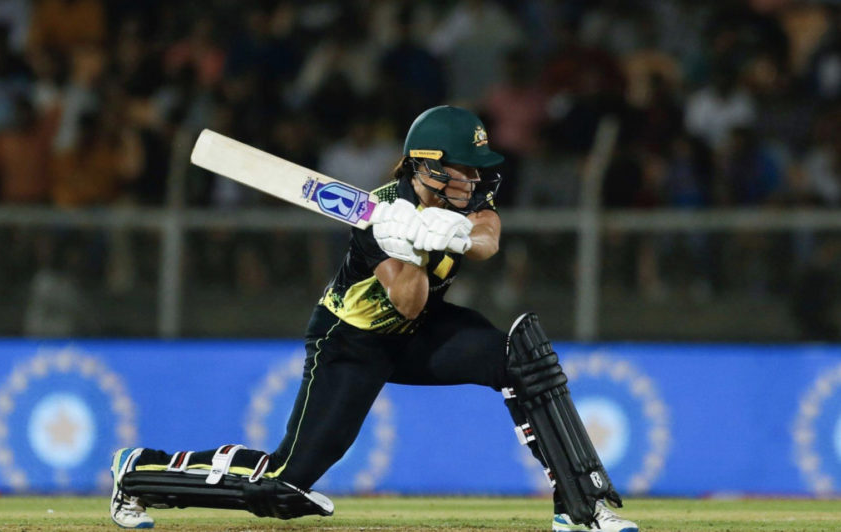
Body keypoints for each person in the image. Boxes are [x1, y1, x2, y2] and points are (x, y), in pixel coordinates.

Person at [108, 106, 638, 532]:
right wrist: (408, 247)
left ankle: (582, 507)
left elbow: (488, 240)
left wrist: (450, 232)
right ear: (427, 166)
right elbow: (407, 300)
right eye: (465, 167)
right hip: (351, 344)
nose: (476, 178)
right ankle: (138, 473)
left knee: (520, 356)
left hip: (421, 332)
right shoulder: (376, 219)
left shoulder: (469, 199)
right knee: (285, 484)